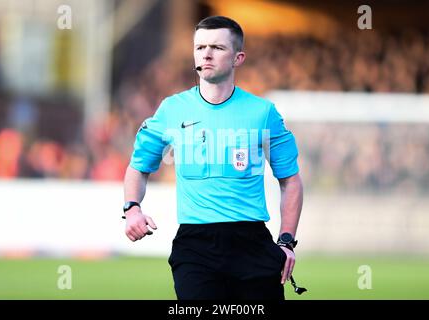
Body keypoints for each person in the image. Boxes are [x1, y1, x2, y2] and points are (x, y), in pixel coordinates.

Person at [123, 16, 304, 300]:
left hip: (251, 242)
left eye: (217, 48)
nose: (206, 54)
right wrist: (132, 208)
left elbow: (290, 180)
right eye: (200, 47)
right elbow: (138, 167)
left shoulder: (263, 112)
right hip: (195, 246)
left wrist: (286, 240)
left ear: (238, 57)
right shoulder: (171, 110)